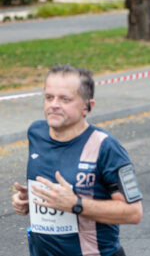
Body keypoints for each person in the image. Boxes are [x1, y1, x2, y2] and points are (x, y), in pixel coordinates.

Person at [11, 65, 143, 256]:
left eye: (65, 99)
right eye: (49, 97)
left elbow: (134, 213)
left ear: (87, 106)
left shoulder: (105, 146)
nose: (54, 104)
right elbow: (56, 190)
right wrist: (30, 201)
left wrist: (76, 204)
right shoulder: (36, 133)